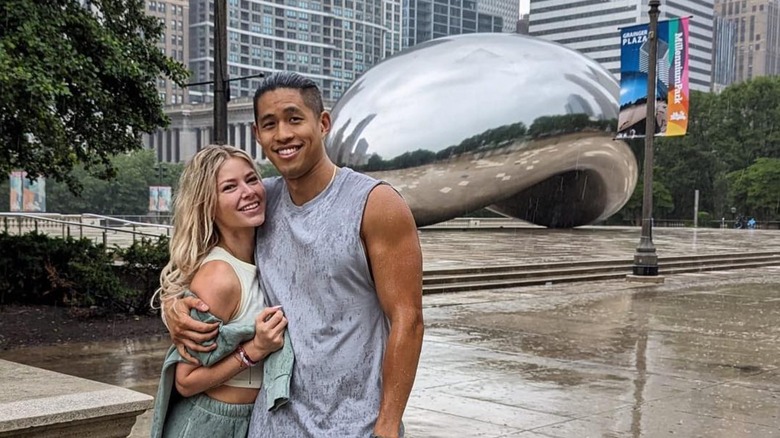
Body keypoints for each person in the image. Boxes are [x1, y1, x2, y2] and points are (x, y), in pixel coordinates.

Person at [165, 72, 425, 437]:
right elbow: (203, 251)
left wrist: (387, 424)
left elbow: (408, 320)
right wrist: (175, 305)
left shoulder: (375, 204)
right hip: (273, 423)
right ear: (257, 135)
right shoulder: (260, 202)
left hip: (355, 425)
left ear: (323, 123)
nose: (283, 134)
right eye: (270, 124)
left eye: (294, 118)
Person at [151, 145, 288, 438]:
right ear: (208, 204)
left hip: (254, 420)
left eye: (252, 180)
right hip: (211, 424)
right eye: (230, 187)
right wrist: (254, 350)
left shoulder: (264, 257)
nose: (248, 191)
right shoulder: (219, 277)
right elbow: (185, 381)